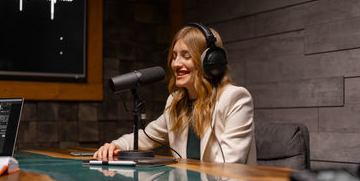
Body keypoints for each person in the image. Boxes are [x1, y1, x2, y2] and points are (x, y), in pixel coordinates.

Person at [94, 23, 256, 164]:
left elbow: (228, 165)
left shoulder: (236, 99)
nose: (176, 64)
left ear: (210, 62)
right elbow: (145, 137)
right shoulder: (176, 102)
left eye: (186, 56)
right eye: (174, 56)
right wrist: (115, 146)